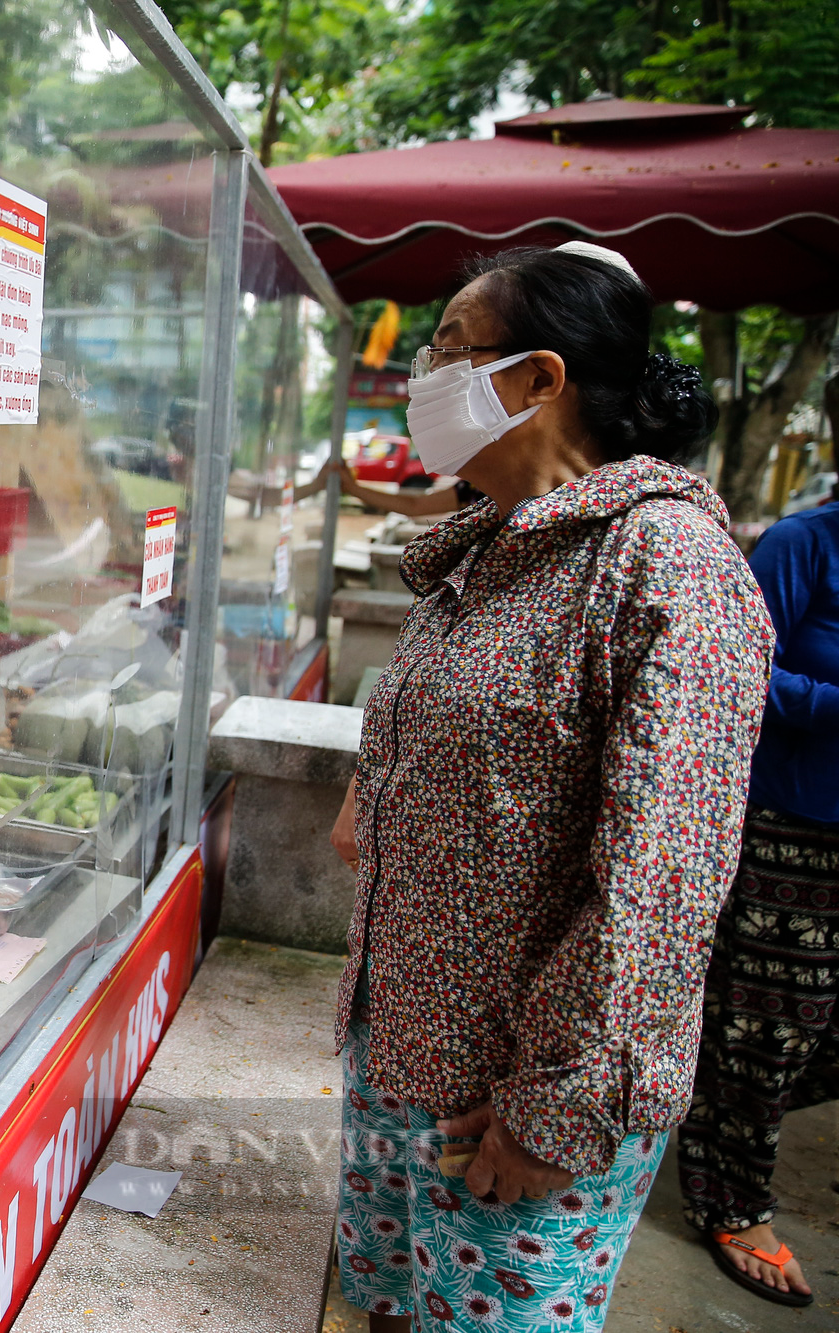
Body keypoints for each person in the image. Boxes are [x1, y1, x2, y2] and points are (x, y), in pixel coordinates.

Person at [325, 241, 773, 1333]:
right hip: (404, 1046)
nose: (424, 376)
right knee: (388, 1307)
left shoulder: (665, 568)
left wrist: (551, 1108)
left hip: (517, 1102)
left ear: (537, 379)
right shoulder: (488, 549)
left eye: (446, 347)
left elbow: (658, 887)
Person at [676, 493, 839, 1307]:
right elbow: (735, 674)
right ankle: (734, 1200)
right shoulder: (804, 544)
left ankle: (701, 1093)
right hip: (797, 825)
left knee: (788, 1036)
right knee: (773, 1028)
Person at [318, 456, 481, 517]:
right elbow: (415, 506)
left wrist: (353, 488)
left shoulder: (480, 488)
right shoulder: (475, 489)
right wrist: (353, 488)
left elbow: (414, 507)